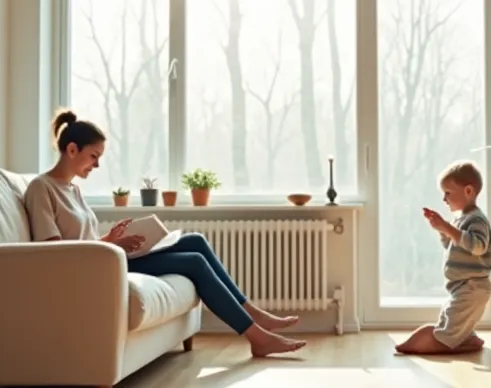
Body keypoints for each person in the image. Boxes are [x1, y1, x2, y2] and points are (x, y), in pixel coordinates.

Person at [24, 109, 306, 358]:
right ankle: (257, 337)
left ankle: (254, 314)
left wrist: (110, 240)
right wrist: (111, 246)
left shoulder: (73, 190)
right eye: (93, 156)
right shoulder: (41, 188)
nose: (96, 165)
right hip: (96, 269)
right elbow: (55, 254)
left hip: (107, 257)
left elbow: (85, 243)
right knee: (194, 262)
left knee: (196, 240)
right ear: (72, 150)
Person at [395, 160, 491, 355]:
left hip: (473, 287)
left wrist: (447, 227)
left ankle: (415, 346)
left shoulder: (476, 219)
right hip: (461, 287)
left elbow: (477, 246)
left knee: (445, 334)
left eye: (448, 193)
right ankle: (468, 339)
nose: (444, 199)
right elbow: (453, 247)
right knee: (449, 322)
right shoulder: (461, 219)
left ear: (468, 191)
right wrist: (442, 231)